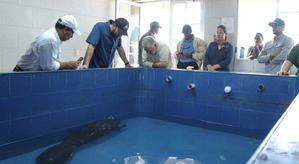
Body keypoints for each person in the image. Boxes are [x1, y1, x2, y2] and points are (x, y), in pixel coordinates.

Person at [14, 15, 81, 71]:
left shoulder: (53, 38)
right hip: (22, 75)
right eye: (72, 32)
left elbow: (51, 61)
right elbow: (48, 67)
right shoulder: (49, 40)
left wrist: (67, 65)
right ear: (65, 30)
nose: (72, 36)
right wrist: (67, 65)